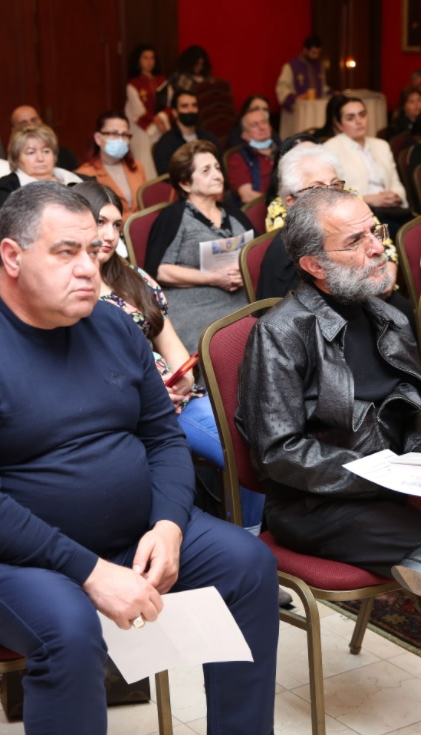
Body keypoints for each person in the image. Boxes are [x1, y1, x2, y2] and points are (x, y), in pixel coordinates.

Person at [0, 181, 279, 735]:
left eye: (94, 250)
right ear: (12, 256)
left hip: (129, 533)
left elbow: (164, 438)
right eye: (66, 252)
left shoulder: (111, 323)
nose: (88, 269)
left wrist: (170, 526)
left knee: (248, 565)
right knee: (69, 628)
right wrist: (92, 572)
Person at [237, 185, 421, 735]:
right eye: (356, 241)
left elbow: (417, 407)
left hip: (401, 480)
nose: (379, 246)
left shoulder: (386, 315)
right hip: (321, 505)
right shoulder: (279, 335)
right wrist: (391, 480)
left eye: (374, 231)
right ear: (315, 265)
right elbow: (278, 454)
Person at [75, 180, 266, 533]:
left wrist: (185, 377)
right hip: (128, 408)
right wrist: (150, 395)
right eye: (100, 222)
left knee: (253, 433)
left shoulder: (133, 277)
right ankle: (247, 538)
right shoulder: (71, 291)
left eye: (116, 225)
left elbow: (168, 340)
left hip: (176, 395)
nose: (110, 235)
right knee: (244, 449)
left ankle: (249, 533)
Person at [254, 145, 416, 333]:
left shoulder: (350, 218)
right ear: (292, 202)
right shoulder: (293, 252)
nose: (331, 196)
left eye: (336, 186)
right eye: (317, 189)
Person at [142, 140, 252, 354]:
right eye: (206, 170)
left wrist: (245, 272)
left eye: (218, 168)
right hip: (192, 304)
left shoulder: (234, 213)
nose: (217, 175)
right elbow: (158, 271)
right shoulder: (174, 217)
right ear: (185, 184)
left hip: (240, 297)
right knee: (225, 346)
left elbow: (257, 254)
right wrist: (213, 277)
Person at [323, 96, 408, 218]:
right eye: (350, 118)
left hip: (391, 209)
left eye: (362, 115)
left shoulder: (382, 145)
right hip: (357, 215)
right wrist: (367, 199)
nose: (359, 121)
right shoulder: (330, 148)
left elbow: (395, 182)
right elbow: (331, 194)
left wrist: (396, 196)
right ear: (339, 124)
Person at [0, 124, 83, 209]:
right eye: (31, 152)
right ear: (16, 159)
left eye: (46, 151)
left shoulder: (75, 181)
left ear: (54, 155)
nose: (40, 158)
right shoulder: (6, 189)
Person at [75, 110, 148, 215]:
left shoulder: (137, 166)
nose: (120, 139)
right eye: (114, 133)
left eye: (125, 134)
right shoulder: (84, 174)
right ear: (98, 138)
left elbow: (145, 203)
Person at [125, 45, 171, 182]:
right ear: (138, 61)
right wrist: (156, 120)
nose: (149, 62)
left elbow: (170, 104)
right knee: (145, 160)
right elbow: (138, 110)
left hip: (162, 126)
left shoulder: (162, 81)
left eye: (152, 58)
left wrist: (162, 118)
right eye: (145, 58)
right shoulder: (133, 84)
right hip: (142, 128)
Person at [152, 89, 221, 178]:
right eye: (185, 106)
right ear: (175, 112)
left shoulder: (209, 139)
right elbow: (166, 179)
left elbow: (221, 170)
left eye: (194, 105)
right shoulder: (165, 145)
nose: (190, 110)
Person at [227, 108, 277, 203]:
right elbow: (247, 196)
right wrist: (278, 204)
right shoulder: (238, 159)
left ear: (270, 127)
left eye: (264, 122)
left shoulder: (282, 149)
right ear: (244, 135)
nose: (262, 127)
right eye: (254, 125)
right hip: (263, 207)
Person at [9, 105, 80, 171]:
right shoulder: (7, 165)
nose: (30, 125)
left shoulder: (64, 154)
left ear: (41, 121)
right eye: (23, 123)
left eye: (33, 120)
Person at [275, 35, 326, 114]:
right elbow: (281, 88)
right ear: (305, 50)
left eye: (318, 53)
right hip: (296, 112)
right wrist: (297, 98)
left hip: (315, 112)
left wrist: (333, 93)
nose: (316, 56)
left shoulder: (319, 67)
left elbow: (322, 87)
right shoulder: (291, 67)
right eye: (313, 53)